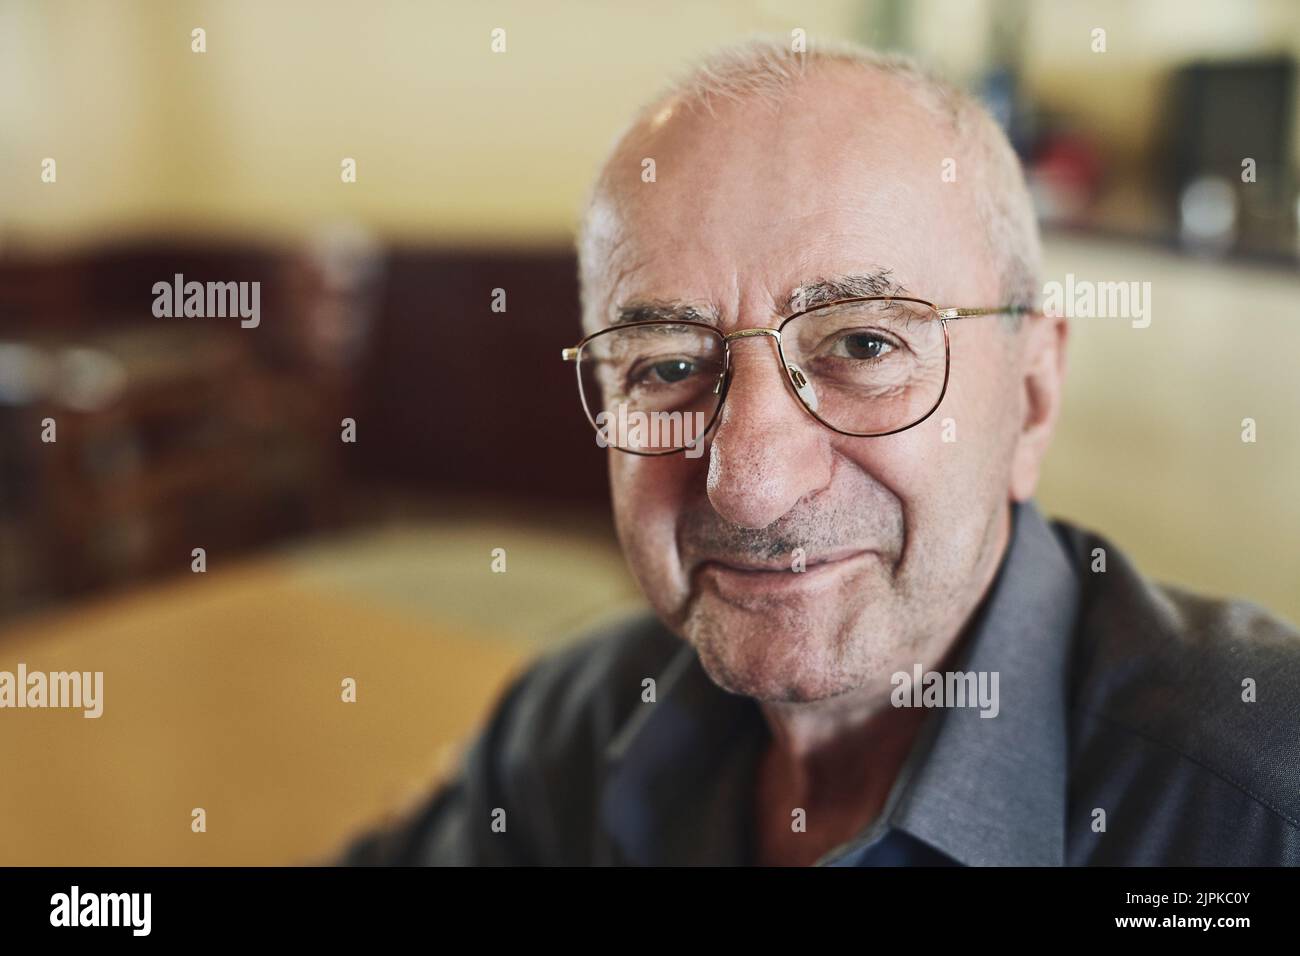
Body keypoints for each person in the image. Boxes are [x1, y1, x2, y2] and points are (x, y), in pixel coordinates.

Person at [340, 37, 1300, 866]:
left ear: (1033, 398)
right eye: (669, 364)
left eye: (864, 346)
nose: (751, 486)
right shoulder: (565, 735)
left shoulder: (1256, 811)